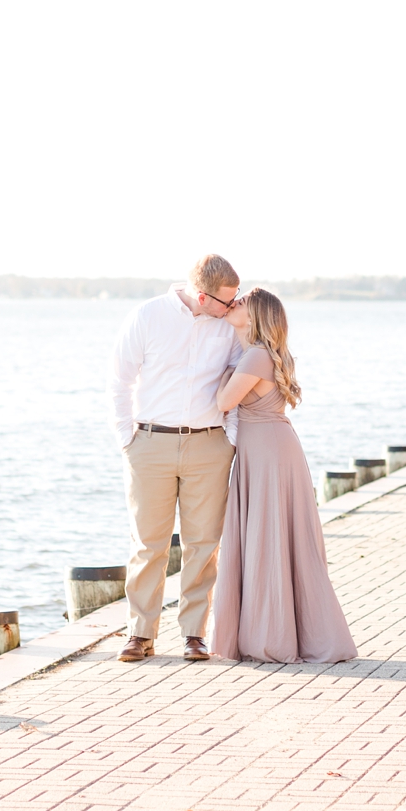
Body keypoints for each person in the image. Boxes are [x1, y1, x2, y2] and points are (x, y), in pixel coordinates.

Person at [109, 254, 244, 663]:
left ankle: (193, 634)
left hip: (209, 444)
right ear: (203, 297)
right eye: (226, 301)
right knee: (148, 543)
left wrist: (230, 439)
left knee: (203, 543)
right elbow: (119, 379)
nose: (233, 307)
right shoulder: (147, 316)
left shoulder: (229, 326)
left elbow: (238, 378)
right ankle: (140, 633)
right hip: (149, 443)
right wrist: (126, 439)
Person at [209, 288, 356, 663]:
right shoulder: (257, 354)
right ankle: (282, 630)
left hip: (268, 454)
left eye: (241, 302)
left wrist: (225, 370)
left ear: (255, 314)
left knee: (270, 540)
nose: (234, 303)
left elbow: (224, 403)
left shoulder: (256, 356)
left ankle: (271, 636)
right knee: (277, 540)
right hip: (269, 449)